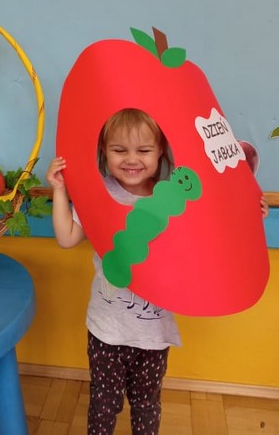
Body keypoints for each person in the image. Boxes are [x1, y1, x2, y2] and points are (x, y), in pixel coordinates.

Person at [46, 108, 268, 435]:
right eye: (119, 150)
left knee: (147, 403)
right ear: (103, 150)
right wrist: (59, 189)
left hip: (153, 333)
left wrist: (247, 214)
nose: (131, 159)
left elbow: (212, 242)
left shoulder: (174, 199)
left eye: (144, 150)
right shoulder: (98, 193)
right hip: (107, 330)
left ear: (160, 150)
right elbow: (66, 238)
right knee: (104, 404)